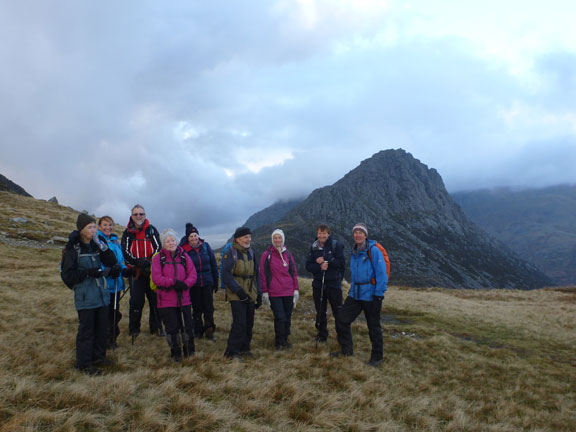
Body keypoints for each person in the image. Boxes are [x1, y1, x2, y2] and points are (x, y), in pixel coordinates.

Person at [61, 213, 117, 375]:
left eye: (94, 227)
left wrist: (101, 245)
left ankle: (98, 357)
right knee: (87, 330)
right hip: (85, 296)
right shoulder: (73, 248)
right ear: (82, 230)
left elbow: (112, 261)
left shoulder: (97, 244)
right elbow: (68, 276)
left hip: (101, 294)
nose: (93, 230)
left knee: (101, 328)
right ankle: (84, 364)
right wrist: (88, 273)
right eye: (90, 227)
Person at [331, 223, 387, 367]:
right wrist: (350, 292)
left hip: (371, 295)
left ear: (365, 235)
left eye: (360, 232)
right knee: (342, 319)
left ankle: (377, 358)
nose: (357, 235)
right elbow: (355, 277)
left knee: (373, 326)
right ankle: (346, 350)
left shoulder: (373, 251)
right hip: (355, 294)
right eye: (355, 232)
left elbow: (381, 273)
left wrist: (379, 294)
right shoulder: (355, 251)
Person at [151, 229, 197, 362]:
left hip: (184, 298)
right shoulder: (158, 258)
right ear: (163, 244)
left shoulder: (184, 256)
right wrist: (173, 283)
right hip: (166, 301)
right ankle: (175, 352)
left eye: (172, 240)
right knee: (172, 328)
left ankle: (189, 350)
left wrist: (185, 284)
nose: (171, 243)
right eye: (167, 241)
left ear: (176, 241)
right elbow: (157, 278)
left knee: (187, 325)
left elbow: (193, 274)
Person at [121, 204, 163, 339]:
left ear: (145, 215)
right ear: (132, 216)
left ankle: (155, 328)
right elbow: (125, 251)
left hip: (151, 272)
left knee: (155, 301)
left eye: (141, 214)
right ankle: (134, 329)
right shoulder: (127, 232)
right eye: (136, 214)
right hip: (136, 273)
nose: (138, 216)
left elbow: (158, 248)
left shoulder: (151, 230)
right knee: (136, 302)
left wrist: (149, 263)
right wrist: (138, 262)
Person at [222, 227, 262, 359]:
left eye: (249, 237)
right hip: (236, 294)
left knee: (249, 322)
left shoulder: (251, 252)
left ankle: (245, 348)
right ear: (237, 239)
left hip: (250, 292)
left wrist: (259, 293)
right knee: (240, 323)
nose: (248, 239)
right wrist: (239, 291)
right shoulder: (230, 253)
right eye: (245, 237)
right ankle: (231, 352)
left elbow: (256, 273)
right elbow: (226, 275)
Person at [305, 224, 346, 344]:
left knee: (338, 312)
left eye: (324, 233)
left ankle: (342, 337)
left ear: (328, 234)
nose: (321, 236)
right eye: (319, 233)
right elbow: (308, 266)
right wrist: (319, 267)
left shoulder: (336, 245)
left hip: (334, 284)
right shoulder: (314, 247)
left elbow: (341, 263)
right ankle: (321, 335)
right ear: (317, 234)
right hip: (319, 285)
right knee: (320, 311)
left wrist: (329, 260)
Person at [259, 228, 299, 350]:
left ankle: (285, 339)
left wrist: (296, 290)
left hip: (288, 290)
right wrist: (265, 292)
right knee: (280, 317)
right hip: (274, 292)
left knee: (287, 316)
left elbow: (293, 272)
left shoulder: (288, 254)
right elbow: (263, 274)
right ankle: (280, 342)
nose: (277, 240)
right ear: (272, 240)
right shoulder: (267, 255)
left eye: (279, 238)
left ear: (283, 239)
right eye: (275, 238)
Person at [180, 223, 219, 341]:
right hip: (194, 285)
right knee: (196, 309)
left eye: (195, 235)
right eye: (191, 236)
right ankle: (198, 330)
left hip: (207, 282)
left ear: (198, 235)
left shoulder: (206, 247)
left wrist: (215, 281)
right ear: (187, 238)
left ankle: (209, 330)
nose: (194, 238)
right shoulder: (184, 251)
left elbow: (213, 264)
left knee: (209, 308)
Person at [97, 216, 131, 349]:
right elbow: (98, 262)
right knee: (105, 315)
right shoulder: (98, 241)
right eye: (105, 225)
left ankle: (112, 340)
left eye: (110, 225)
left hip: (116, 285)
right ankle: (104, 341)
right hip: (104, 285)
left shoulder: (115, 242)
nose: (108, 227)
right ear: (99, 226)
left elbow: (119, 263)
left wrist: (125, 271)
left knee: (114, 313)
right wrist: (109, 271)